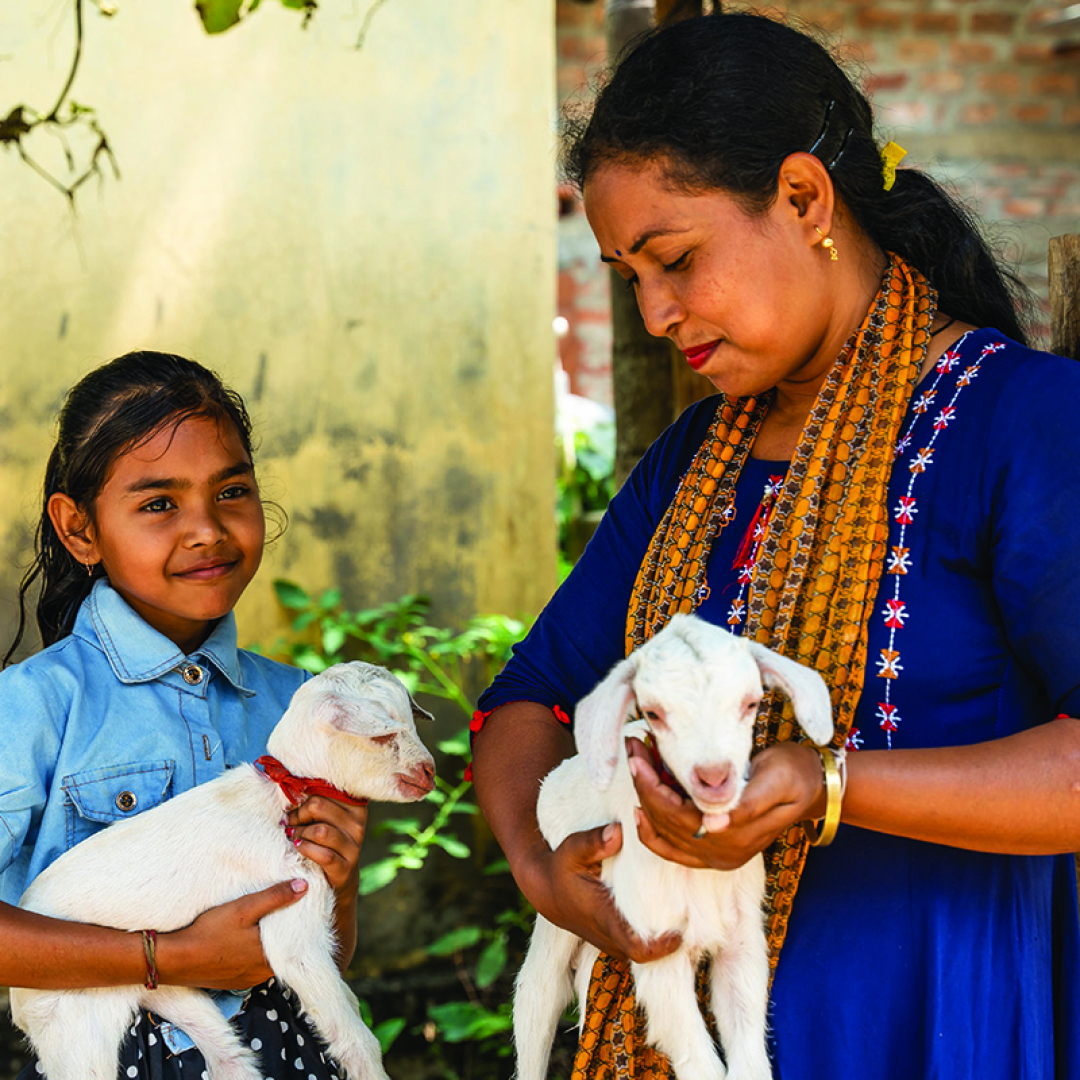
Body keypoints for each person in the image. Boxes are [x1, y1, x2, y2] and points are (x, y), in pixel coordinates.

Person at [471, 12, 1080, 1080]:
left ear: (804, 199)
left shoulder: (1020, 424)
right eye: (630, 277)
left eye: (676, 259)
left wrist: (831, 784)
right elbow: (531, 693)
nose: (656, 312)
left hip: (928, 1033)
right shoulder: (690, 466)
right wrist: (542, 867)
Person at [0, 351, 367, 1079]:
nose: (207, 529)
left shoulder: (298, 706)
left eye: (231, 491)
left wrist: (339, 882)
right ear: (80, 530)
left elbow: (326, 951)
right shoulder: (34, 706)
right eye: (159, 503)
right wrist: (163, 959)